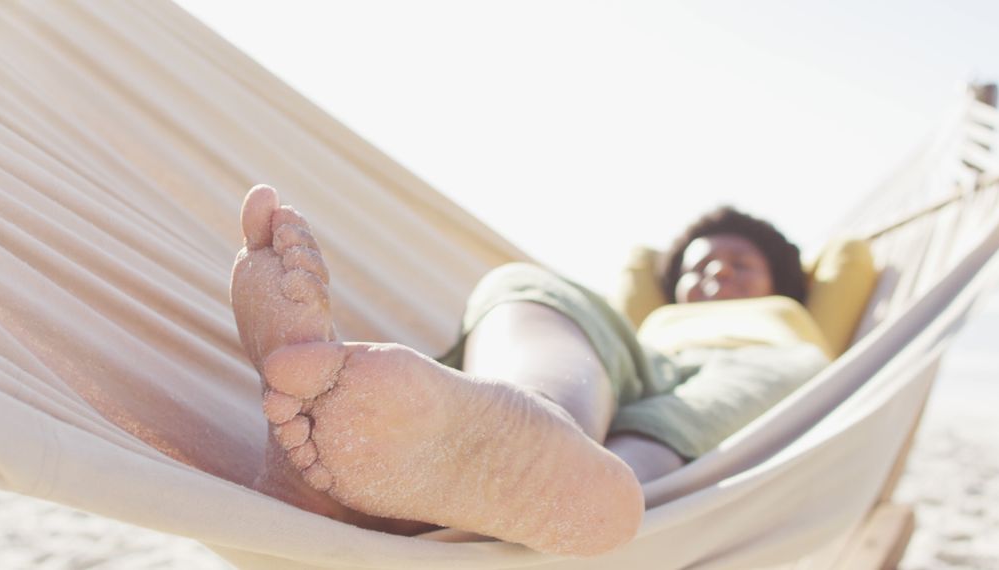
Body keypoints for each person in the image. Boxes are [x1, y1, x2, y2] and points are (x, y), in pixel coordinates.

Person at [230, 185, 828, 557]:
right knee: (527, 287)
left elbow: (752, 380)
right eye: (700, 268)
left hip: (746, 363)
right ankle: (526, 423)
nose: (716, 275)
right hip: (634, 364)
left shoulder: (787, 323)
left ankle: (555, 475)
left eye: (740, 264)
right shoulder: (649, 324)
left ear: (782, 280)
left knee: (678, 415)